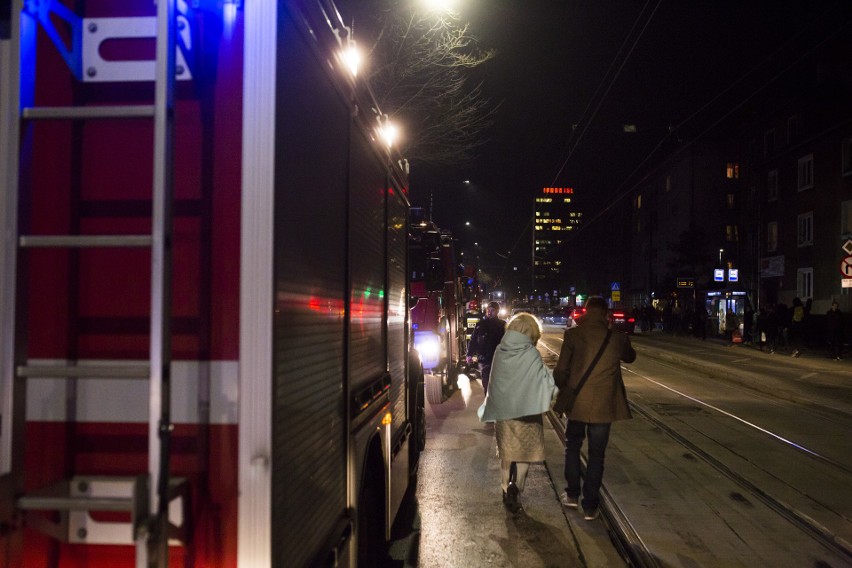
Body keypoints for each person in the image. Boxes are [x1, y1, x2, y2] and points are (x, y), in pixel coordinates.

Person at [553, 296, 636, 521]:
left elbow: (560, 372)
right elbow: (630, 358)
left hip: (577, 403)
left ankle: (571, 495)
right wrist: (617, 332)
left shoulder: (573, 335)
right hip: (603, 405)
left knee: (572, 446)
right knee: (597, 454)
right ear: (606, 313)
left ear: (586, 311)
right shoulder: (616, 338)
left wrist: (567, 388)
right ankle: (590, 506)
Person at [477, 313, 556, 513]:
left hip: (505, 412)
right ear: (531, 332)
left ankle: (505, 487)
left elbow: (494, 383)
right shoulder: (531, 353)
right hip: (528, 413)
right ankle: (517, 487)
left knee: (507, 453)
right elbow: (543, 382)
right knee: (524, 454)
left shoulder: (500, 350)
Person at [466, 301, 507, 394]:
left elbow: (508, 343)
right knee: (486, 384)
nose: (489, 312)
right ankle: (489, 403)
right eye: (488, 310)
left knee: (497, 385)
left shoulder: (502, 325)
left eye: (492, 310)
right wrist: (469, 355)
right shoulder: (481, 325)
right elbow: (473, 341)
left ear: (497, 312)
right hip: (484, 360)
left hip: (498, 360)